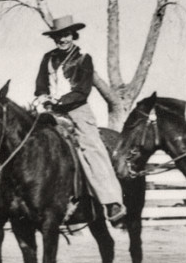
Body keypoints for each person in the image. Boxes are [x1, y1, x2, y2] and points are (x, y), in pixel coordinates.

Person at [30, 16, 126, 225]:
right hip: (51, 111)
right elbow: (41, 84)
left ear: (72, 35)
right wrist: (42, 98)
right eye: (58, 36)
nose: (62, 39)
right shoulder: (47, 58)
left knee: (92, 148)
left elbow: (82, 91)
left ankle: (112, 202)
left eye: (65, 35)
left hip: (77, 111)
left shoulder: (84, 59)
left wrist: (59, 102)